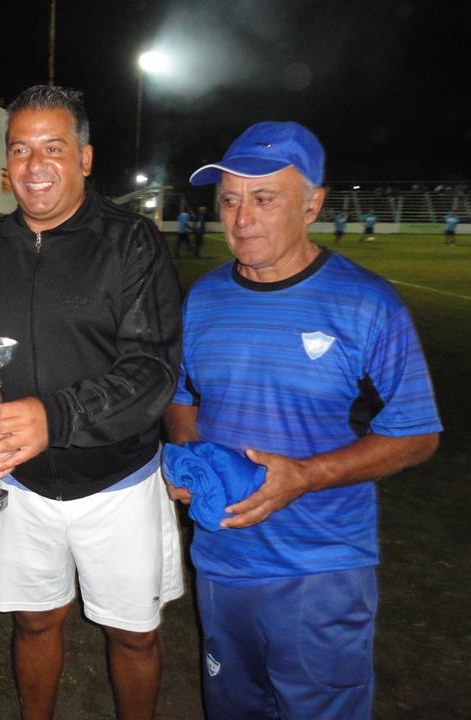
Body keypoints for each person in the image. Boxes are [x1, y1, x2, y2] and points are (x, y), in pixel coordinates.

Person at [165, 121, 442, 720]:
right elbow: (182, 394)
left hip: (320, 566)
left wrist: (306, 476)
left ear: (312, 204)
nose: (241, 219)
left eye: (264, 199)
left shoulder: (367, 302)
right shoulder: (204, 298)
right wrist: (191, 457)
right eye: (231, 200)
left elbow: (418, 432)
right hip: (222, 557)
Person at [0, 85, 184, 720]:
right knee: (34, 626)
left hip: (118, 482)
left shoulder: (131, 242)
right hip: (18, 487)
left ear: (84, 158)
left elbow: (152, 368)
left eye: (54, 147)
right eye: (20, 149)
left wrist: (59, 416)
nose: (35, 164)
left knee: (134, 634)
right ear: (6, 164)